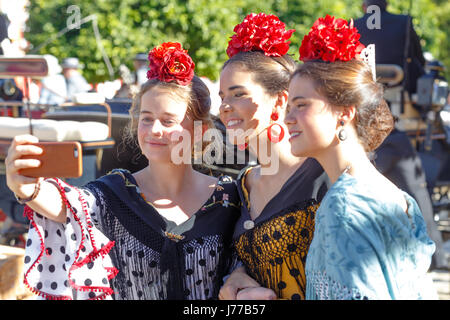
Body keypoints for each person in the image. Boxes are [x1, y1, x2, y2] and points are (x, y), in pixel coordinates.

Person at [5, 42, 240, 300]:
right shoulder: (116, 193)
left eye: (168, 121)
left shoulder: (228, 197)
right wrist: (28, 188)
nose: (154, 130)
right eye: (147, 118)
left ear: (200, 131)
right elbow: (70, 206)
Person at [285, 15, 437, 299]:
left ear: (344, 112)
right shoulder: (395, 195)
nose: (288, 119)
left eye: (300, 105)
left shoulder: (343, 207)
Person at [218, 13, 329, 300]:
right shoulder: (244, 184)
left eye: (238, 94)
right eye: (222, 98)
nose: (225, 107)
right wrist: (239, 274)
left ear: (280, 100)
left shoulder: (322, 174)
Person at [355, 0, 447, 269]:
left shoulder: (353, 27)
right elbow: (416, 65)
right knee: (416, 187)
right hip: (402, 115)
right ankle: (435, 255)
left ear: (364, 5)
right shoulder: (404, 23)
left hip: (366, 116)